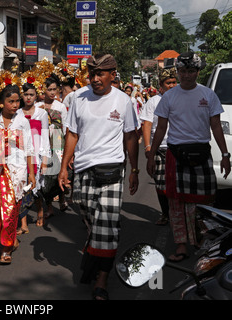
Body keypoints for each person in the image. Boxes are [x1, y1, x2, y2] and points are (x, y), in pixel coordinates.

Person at [58, 53, 139, 300]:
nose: (94, 79)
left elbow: (130, 137)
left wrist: (134, 169)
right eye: (91, 74)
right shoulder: (79, 98)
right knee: (90, 219)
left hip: (112, 169)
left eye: (100, 74)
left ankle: (101, 279)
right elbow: (72, 134)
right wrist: (63, 168)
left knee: (105, 226)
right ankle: (101, 246)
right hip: (83, 169)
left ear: (113, 75)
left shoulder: (124, 101)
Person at [146, 52, 231, 262]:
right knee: (176, 203)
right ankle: (182, 245)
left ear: (198, 72)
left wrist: (225, 154)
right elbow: (161, 128)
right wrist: (150, 155)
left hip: (201, 154)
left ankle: (201, 240)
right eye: (182, 71)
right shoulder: (169, 97)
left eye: (191, 71)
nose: (186, 75)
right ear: (178, 72)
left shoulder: (208, 95)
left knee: (205, 200)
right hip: (175, 155)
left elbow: (216, 128)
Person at [0, 71, 35, 264]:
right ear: (1, 102)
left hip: (18, 171)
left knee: (12, 208)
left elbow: (29, 149)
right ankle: (11, 238)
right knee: (3, 210)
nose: (15, 105)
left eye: (18, 101)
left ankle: (5, 249)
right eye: (11, 101)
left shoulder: (23, 122)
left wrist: (31, 174)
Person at [140, 67, 178, 226]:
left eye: (174, 82)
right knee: (161, 184)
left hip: (177, 148)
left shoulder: (182, 99)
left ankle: (177, 215)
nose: (172, 85)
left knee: (177, 184)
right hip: (159, 148)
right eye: (168, 83)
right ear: (161, 85)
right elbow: (147, 125)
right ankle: (165, 214)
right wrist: (148, 146)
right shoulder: (153, 101)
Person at [17, 71, 51, 233]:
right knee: (21, 187)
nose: (28, 97)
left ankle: (40, 211)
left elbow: (45, 136)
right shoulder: (16, 113)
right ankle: (23, 223)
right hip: (20, 156)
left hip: (36, 155)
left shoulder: (42, 113)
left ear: (36, 95)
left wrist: (45, 159)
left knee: (35, 188)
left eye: (31, 94)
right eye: (25, 94)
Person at [38, 72, 69, 219]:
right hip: (43, 143)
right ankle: (49, 206)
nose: (52, 92)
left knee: (58, 172)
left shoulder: (61, 106)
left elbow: (65, 128)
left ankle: (62, 197)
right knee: (46, 176)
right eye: (49, 89)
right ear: (43, 90)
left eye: (54, 89)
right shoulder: (38, 106)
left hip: (58, 143)